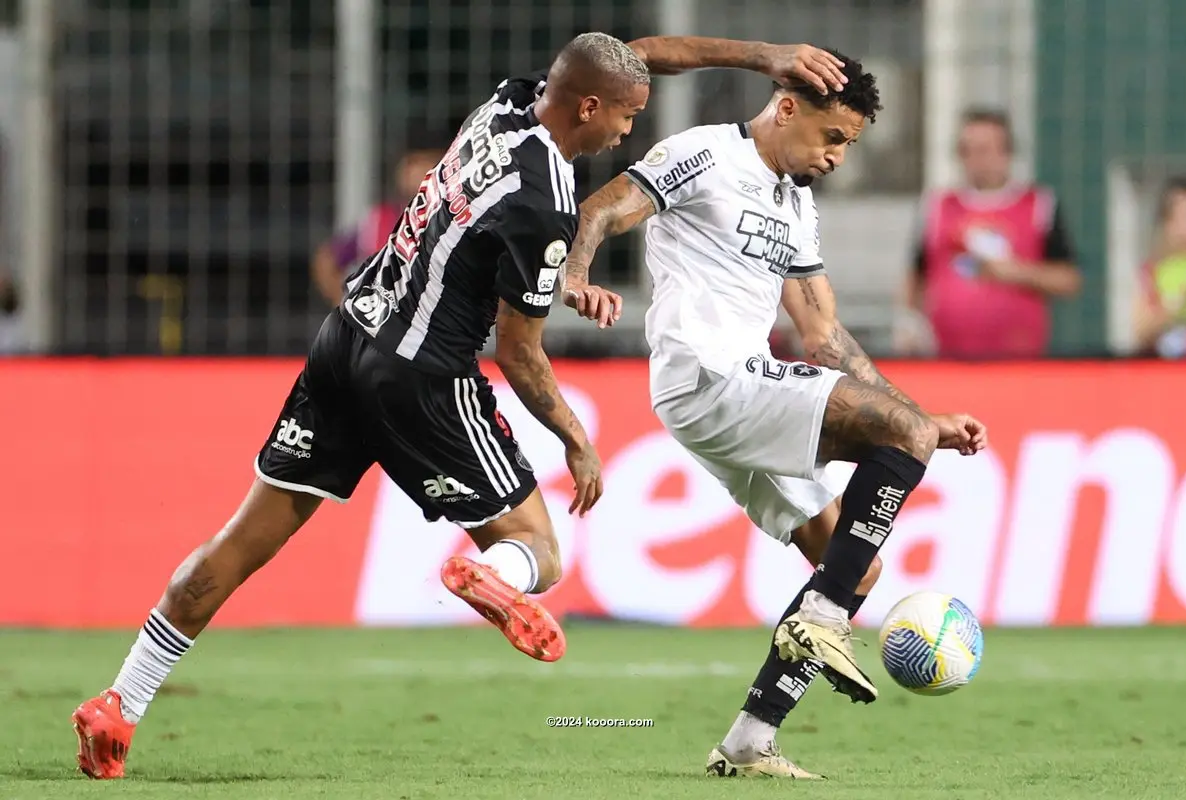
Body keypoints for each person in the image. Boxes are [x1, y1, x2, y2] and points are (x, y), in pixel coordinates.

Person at [70, 32, 852, 780]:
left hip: (347, 335)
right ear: (587, 108)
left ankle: (119, 703)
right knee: (541, 550)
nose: (628, 130)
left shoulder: (506, 105)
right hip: (423, 376)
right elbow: (519, 353)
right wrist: (576, 437)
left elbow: (631, 57)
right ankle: (492, 573)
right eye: (626, 116)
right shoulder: (547, 202)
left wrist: (766, 58)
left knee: (240, 543)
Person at [560, 52, 987, 779]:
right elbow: (604, 208)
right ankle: (821, 623)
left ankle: (749, 741)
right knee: (873, 506)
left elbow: (824, 337)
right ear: (788, 108)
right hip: (708, 371)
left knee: (854, 568)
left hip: (737, 387)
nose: (836, 156)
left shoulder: (796, 205)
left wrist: (917, 417)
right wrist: (574, 273)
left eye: (848, 144)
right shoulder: (703, 153)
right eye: (832, 136)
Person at [895, 108, 1081, 358]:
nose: (975, 159)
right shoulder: (938, 207)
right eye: (966, 150)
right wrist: (909, 322)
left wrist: (1015, 272)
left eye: (983, 149)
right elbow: (916, 274)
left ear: (1006, 153)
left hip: (1019, 358)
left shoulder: (1038, 206)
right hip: (947, 358)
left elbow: (1068, 279)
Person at [310, 139, 447, 308]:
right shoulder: (380, 220)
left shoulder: (454, 221)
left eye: (423, 163)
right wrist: (346, 305)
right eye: (410, 165)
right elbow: (327, 259)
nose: (413, 172)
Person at [1132, 177, 1186, 357]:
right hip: (1168, 368)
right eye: (1178, 214)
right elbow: (1141, 331)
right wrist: (1182, 296)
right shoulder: (1153, 271)